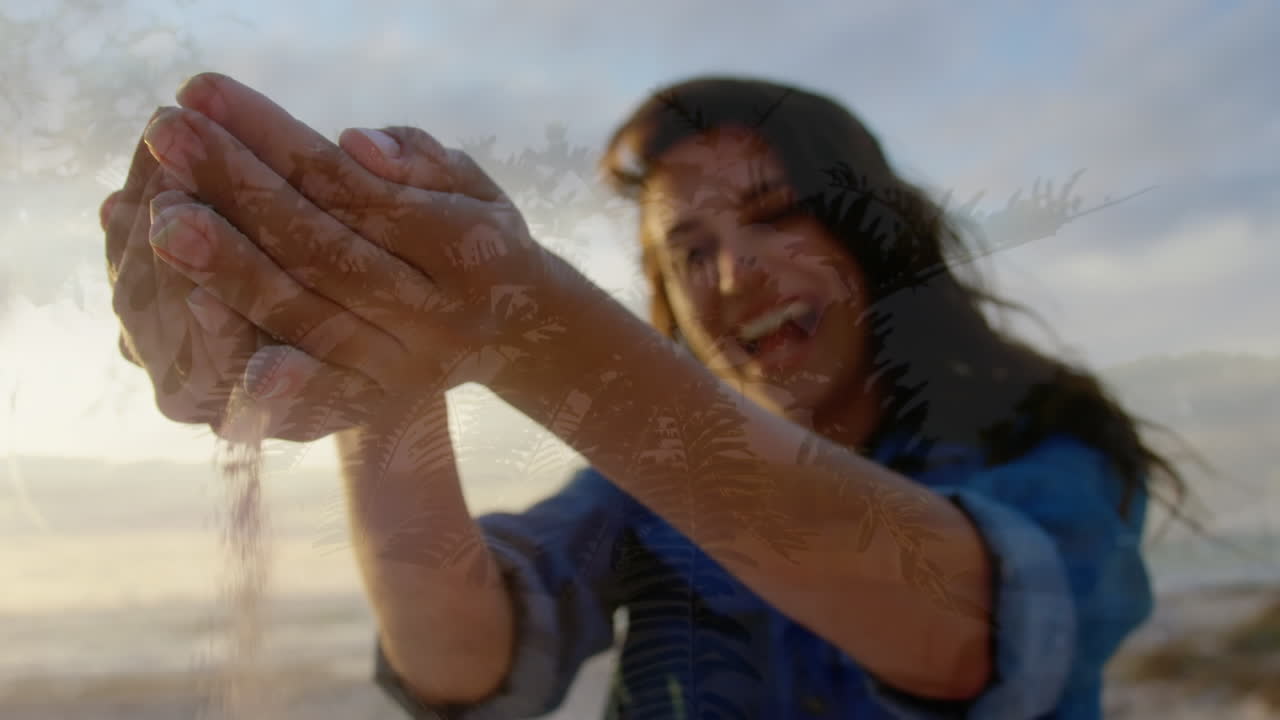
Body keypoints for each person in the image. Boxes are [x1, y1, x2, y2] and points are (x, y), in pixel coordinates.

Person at [101, 72, 1182, 719]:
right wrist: (370, 370)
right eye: (687, 249)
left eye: (773, 215)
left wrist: (515, 321)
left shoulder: (1047, 440)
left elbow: (974, 631)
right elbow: (461, 659)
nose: (732, 272)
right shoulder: (638, 495)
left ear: (871, 229)